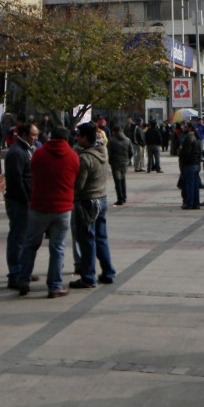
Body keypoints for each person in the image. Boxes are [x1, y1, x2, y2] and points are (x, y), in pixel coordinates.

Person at [15, 126, 80, 299]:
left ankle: (23, 280)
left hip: (39, 205)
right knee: (57, 248)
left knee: (30, 244)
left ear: (51, 137)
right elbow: (75, 177)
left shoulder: (39, 154)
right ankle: (54, 286)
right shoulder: (72, 156)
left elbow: (33, 172)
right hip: (63, 207)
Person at [70, 123, 116, 289]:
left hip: (88, 200)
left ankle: (88, 277)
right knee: (101, 237)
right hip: (102, 198)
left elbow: (79, 185)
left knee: (87, 239)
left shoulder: (85, 158)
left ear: (85, 138)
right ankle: (108, 272)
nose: (77, 138)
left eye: (79, 136)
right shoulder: (102, 150)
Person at [4, 122, 36, 290]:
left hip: (26, 199)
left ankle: (23, 270)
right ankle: (15, 273)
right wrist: (25, 199)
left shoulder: (27, 150)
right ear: (24, 135)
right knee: (17, 238)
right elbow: (16, 180)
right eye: (33, 135)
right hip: (18, 201)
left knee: (24, 238)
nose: (35, 138)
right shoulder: (16, 153)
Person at [107, 125, 132, 206]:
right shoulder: (127, 140)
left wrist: (110, 161)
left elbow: (109, 153)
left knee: (117, 181)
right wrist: (127, 159)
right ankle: (124, 197)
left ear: (114, 131)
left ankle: (120, 198)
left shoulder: (112, 141)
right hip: (124, 162)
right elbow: (131, 152)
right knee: (123, 179)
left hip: (115, 162)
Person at [178, 126, 202, 209]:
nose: (183, 128)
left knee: (189, 185)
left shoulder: (188, 138)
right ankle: (196, 203)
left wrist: (183, 162)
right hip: (196, 164)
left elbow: (186, 153)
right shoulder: (197, 138)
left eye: (185, 127)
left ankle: (189, 203)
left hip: (190, 164)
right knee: (195, 185)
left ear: (190, 129)